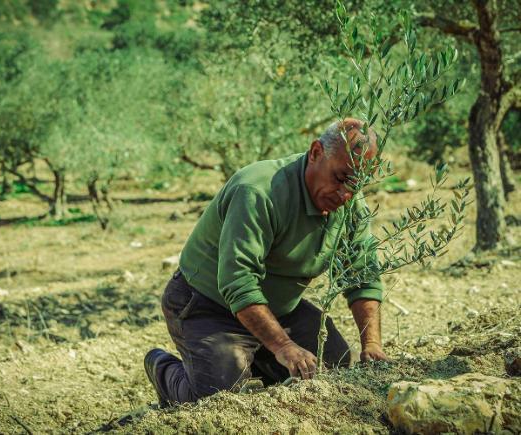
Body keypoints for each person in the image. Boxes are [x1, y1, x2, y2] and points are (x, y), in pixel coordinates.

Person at [144, 118, 388, 406]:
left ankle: (259, 359)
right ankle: (162, 368)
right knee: (218, 398)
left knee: (333, 366)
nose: (346, 194)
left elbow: (361, 275)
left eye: (356, 184)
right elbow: (238, 281)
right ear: (315, 153)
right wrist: (283, 346)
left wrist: (371, 345)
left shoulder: (350, 204)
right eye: (339, 177)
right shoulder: (258, 190)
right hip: (207, 305)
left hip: (278, 309)